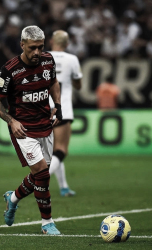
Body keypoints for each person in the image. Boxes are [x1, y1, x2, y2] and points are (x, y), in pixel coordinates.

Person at [0, 25, 62, 235]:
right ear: (22, 45)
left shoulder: (48, 60)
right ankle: (47, 223)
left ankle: (12, 198)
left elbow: (53, 83)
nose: (37, 53)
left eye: (40, 47)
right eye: (32, 48)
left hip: (45, 126)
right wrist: (11, 121)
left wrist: (57, 106)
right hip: (23, 129)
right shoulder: (10, 69)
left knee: (39, 175)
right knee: (42, 172)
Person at [48, 30, 82, 197]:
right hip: (62, 108)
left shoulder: (42, 58)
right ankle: (38, 180)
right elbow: (78, 85)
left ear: (51, 41)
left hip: (43, 108)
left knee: (53, 151)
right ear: (67, 44)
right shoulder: (72, 59)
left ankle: (64, 187)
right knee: (61, 150)